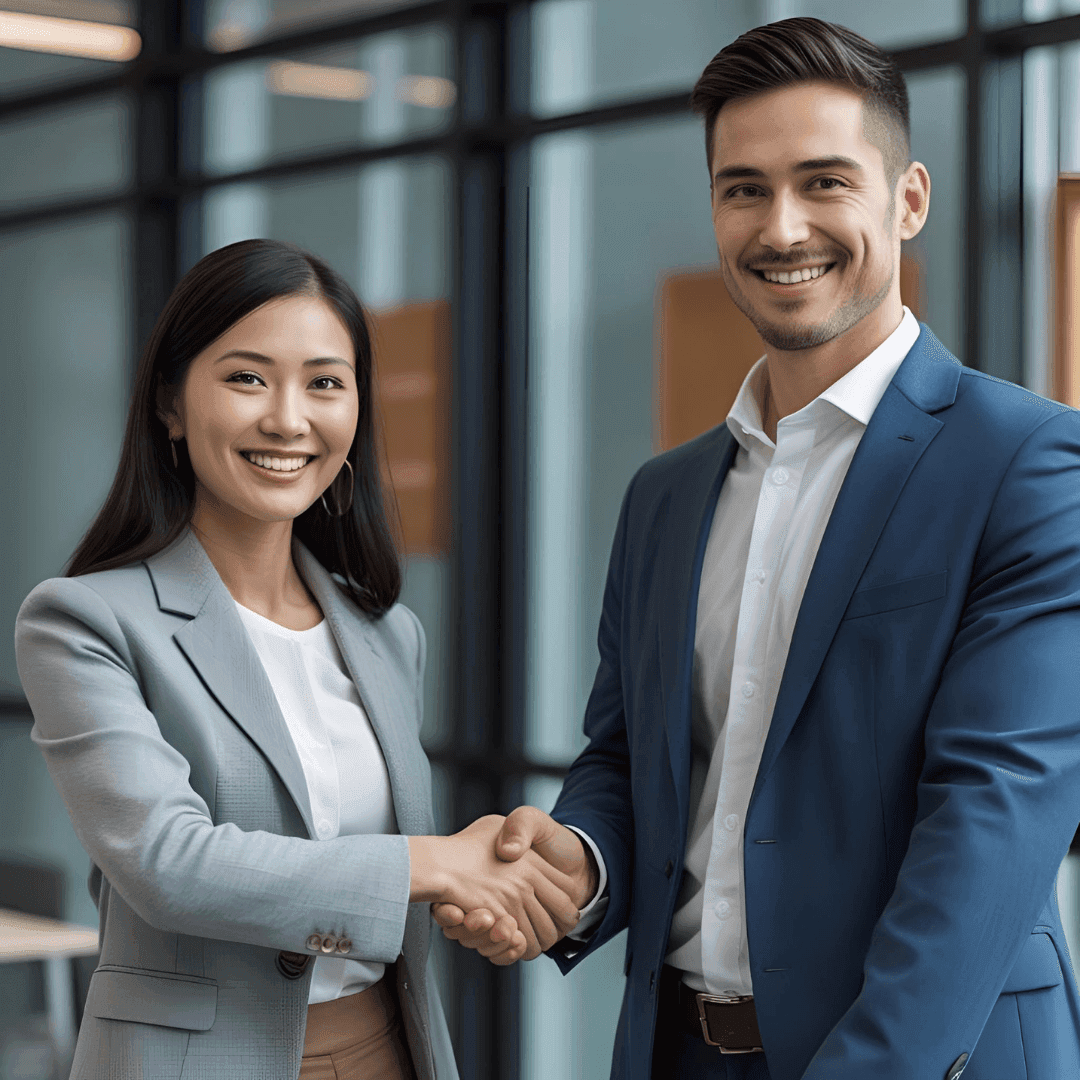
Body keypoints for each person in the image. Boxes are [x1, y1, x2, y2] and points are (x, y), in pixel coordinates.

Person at [434, 17, 1080, 1080]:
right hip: (679, 1049)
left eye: (825, 182)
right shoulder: (664, 495)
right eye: (745, 189)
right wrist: (580, 865)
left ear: (908, 199)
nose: (782, 228)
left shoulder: (1028, 463)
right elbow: (626, 758)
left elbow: (992, 817)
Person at [13, 239, 580, 1080]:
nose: (288, 419)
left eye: (324, 383)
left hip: (389, 1049)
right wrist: (433, 864)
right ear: (170, 405)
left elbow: (375, 883)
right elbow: (169, 864)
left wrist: (485, 895)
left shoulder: (387, 633)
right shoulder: (86, 622)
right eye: (247, 378)